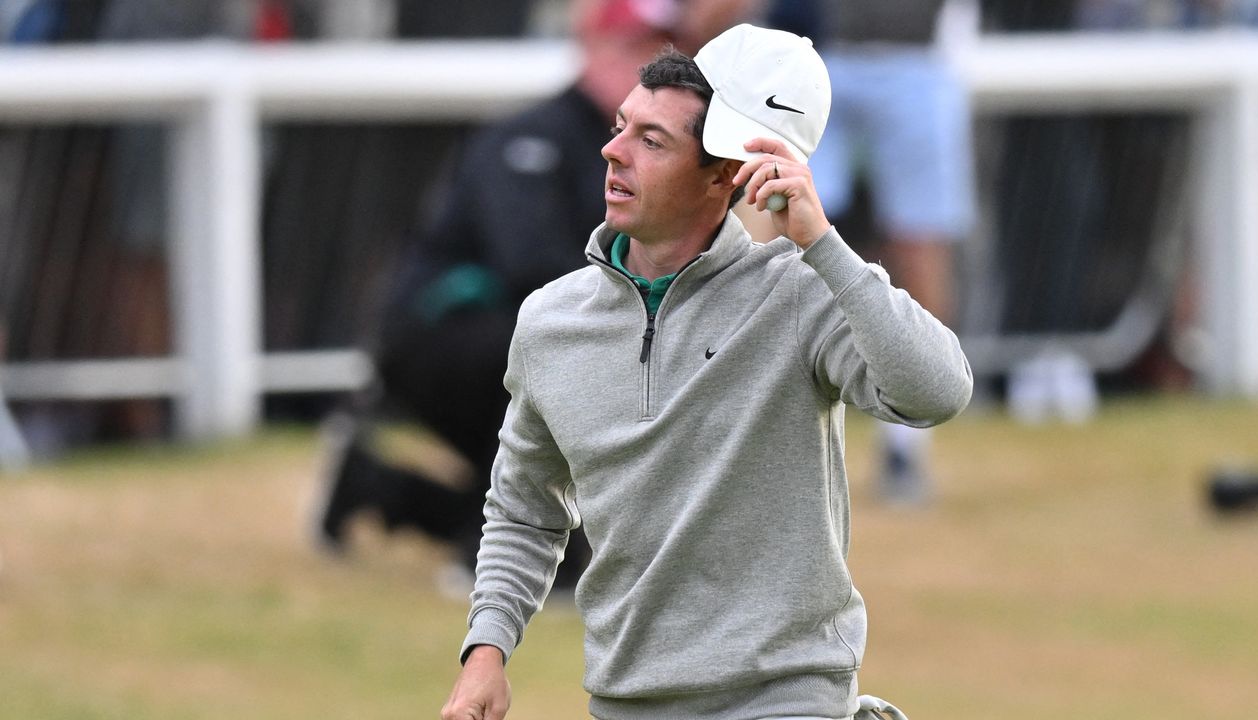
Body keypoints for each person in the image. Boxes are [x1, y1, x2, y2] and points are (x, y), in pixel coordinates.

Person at [441, 23, 972, 720]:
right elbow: (523, 509)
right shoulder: (550, 321)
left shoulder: (802, 293)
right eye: (621, 126)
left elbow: (938, 391)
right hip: (625, 701)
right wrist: (486, 653)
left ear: (727, 176)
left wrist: (824, 246)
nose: (612, 151)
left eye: (651, 141)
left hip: (789, 699)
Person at [313, 0, 684, 593]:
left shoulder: (650, 154)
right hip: (440, 339)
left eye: (662, 55)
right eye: (633, 49)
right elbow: (534, 266)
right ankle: (504, 560)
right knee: (569, 347)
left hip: (527, 337)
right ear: (590, 47)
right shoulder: (531, 137)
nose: (650, 72)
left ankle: (382, 490)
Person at [799, 0, 977, 504]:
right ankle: (779, 417)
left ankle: (908, 441)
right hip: (819, 59)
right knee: (786, 226)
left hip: (917, 60)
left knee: (919, 242)